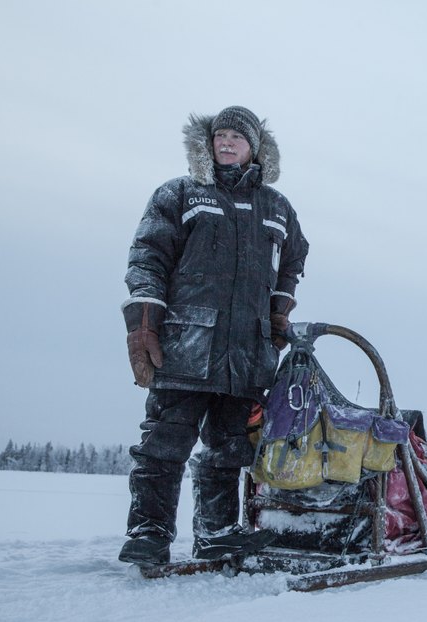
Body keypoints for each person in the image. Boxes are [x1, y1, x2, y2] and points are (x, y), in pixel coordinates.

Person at [119, 106, 310, 565]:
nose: (226, 143)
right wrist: (144, 323)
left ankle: (217, 532)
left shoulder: (278, 208)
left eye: (236, 137)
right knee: (164, 444)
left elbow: (293, 262)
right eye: (219, 135)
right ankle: (149, 533)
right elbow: (147, 258)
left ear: (255, 148)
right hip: (186, 347)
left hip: (247, 352)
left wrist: (279, 311)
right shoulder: (181, 193)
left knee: (229, 449)